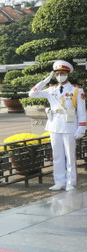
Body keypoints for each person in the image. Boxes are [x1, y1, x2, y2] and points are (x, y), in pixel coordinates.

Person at [29, 60, 86, 191]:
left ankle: (71, 182)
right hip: (54, 125)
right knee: (57, 155)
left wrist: (82, 128)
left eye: (63, 73)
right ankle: (59, 181)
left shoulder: (76, 90)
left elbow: (82, 112)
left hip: (70, 126)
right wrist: (44, 81)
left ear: (68, 74)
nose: (60, 75)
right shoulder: (51, 89)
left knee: (70, 156)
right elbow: (32, 94)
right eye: (57, 73)